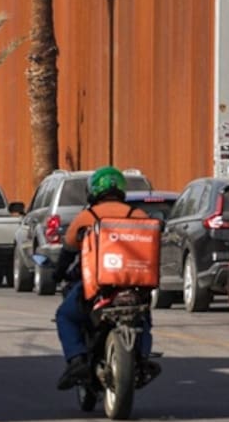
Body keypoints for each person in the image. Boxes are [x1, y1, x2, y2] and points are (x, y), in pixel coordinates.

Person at [53, 165, 159, 391]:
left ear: (93, 190)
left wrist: (56, 274)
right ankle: (142, 357)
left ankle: (77, 360)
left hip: (97, 285)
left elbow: (68, 251)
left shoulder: (87, 216)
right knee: (144, 320)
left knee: (65, 316)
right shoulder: (137, 215)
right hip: (134, 285)